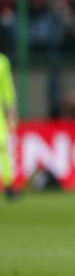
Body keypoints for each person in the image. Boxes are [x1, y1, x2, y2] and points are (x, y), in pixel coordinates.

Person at [0, 52, 17, 200]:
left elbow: (7, 89)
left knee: (4, 147)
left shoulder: (3, 62)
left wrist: (11, 113)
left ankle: (8, 186)